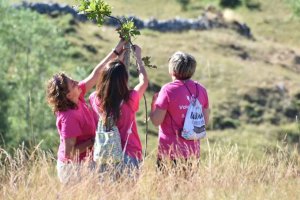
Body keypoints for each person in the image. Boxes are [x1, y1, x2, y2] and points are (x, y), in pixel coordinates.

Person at [46, 39, 126, 183]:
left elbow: (96, 74)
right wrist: (93, 141)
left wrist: (116, 51)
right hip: (73, 169)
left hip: (85, 164)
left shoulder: (78, 96)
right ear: (68, 95)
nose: (77, 82)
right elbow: (70, 153)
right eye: (73, 83)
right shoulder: (68, 117)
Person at [89, 45, 148, 172]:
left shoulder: (94, 99)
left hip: (105, 154)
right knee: (129, 191)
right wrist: (138, 57)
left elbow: (108, 76)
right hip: (130, 153)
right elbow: (144, 82)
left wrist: (117, 58)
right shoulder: (130, 99)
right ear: (124, 80)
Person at [150, 51, 210, 171]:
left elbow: (156, 121)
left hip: (169, 152)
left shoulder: (168, 90)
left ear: (172, 69)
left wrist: (153, 105)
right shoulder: (201, 90)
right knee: (187, 188)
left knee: (166, 188)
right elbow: (205, 122)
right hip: (193, 152)